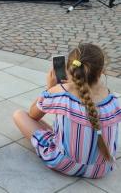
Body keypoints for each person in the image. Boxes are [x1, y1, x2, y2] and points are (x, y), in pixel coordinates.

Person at [13, 43, 121, 178]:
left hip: (64, 164)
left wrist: (49, 89)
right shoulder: (114, 100)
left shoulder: (61, 92)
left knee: (19, 115)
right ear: (101, 72)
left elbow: (33, 115)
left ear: (70, 70)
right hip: (101, 169)